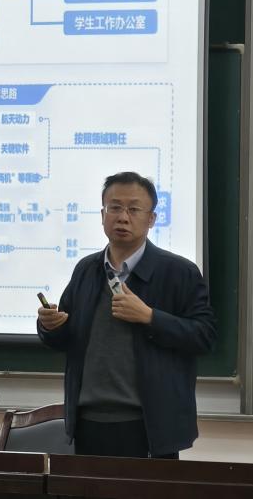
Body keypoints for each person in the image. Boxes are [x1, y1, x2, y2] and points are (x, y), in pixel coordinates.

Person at [37, 171, 215, 459]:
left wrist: (150, 317)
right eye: (115, 207)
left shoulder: (178, 272)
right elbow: (65, 337)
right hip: (87, 422)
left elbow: (204, 336)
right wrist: (49, 326)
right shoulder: (86, 270)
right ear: (102, 214)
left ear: (151, 219)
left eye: (133, 209)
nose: (122, 217)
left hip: (149, 427)